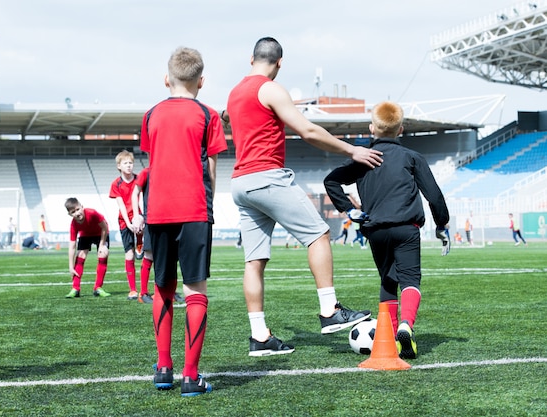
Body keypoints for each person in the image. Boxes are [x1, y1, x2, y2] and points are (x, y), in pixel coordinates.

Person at [225, 37, 381, 356]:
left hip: (241, 183)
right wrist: (353, 150)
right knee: (319, 235)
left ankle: (260, 337)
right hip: (266, 177)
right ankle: (329, 311)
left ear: (251, 58)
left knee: (254, 262)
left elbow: (227, 117)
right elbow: (307, 131)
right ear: (280, 63)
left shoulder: (234, 92)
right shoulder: (270, 89)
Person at [324, 100, 450, 360]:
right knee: (410, 280)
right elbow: (434, 195)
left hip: (376, 230)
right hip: (407, 227)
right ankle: (406, 325)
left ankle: (390, 337)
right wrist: (441, 223)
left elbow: (331, 180)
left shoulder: (364, 158)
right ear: (401, 130)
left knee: (388, 281)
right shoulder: (412, 157)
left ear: (372, 128)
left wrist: (348, 210)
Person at [139, 46, 227, 396]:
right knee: (195, 290)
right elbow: (212, 167)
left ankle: (164, 368)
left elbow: (155, 159)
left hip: (158, 210)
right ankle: (191, 377)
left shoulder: (150, 115)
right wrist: (208, 203)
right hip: (194, 211)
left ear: (166, 79)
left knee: (162, 287)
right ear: (201, 82)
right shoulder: (208, 115)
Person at [130, 167, 186, 306]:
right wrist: (137, 215)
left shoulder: (171, 171)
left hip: (172, 219)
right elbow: (135, 193)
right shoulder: (146, 172)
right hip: (152, 219)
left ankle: (170, 291)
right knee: (149, 255)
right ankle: (143, 293)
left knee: (172, 256)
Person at [109, 150, 149, 302]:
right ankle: (132, 290)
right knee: (129, 255)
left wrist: (141, 217)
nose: (129, 166)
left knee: (143, 249)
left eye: (131, 163)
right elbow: (121, 205)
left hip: (139, 217)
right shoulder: (116, 184)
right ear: (119, 166)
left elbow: (144, 198)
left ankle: (140, 242)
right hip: (124, 220)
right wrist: (128, 223)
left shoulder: (139, 178)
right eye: (125, 163)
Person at [64, 198, 111, 298]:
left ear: (82, 207)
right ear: (70, 214)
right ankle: (75, 288)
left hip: (101, 233)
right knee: (80, 254)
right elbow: (72, 246)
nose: (76, 213)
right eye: (73, 212)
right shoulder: (73, 224)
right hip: (85, 234)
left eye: (77, 209)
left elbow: (104, 227)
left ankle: (98, 288)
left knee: (103, 253)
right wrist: (71, 266)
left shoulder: (92, 213)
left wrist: (102, 244)